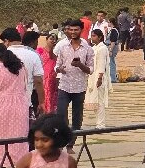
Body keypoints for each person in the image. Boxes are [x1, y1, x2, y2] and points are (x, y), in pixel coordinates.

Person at [53, 19, 94, 148]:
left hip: (79, 87)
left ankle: (71, 143)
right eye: (70, 30)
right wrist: (59, 69)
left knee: (77, 117)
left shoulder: (87, 48)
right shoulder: (63, 46)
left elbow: (90, 69)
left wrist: (80, 65)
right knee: (60, 114)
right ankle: (62, 139)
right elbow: (57, 65)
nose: (73, 32)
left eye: (76, 30)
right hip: (64, 85)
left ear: (81, 30)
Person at [0, 28, 45, 118]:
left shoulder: (0, 55)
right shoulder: (34, 55)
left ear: (6, 41)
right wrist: (41, 102)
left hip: (5, 103)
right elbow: (38, 81)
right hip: (27, 101)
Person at [84, 29, 111, 129]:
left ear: (100, 37)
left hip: (99, 77)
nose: (92, 38)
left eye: (94, 36)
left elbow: (101, 64)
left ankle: (101, 124)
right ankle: (98, 122)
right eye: (92, 35)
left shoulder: (102, 48)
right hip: (93, 76)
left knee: (100, 101)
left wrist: (99, 77)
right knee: (95, 100)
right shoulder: (94, 48)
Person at [36, 34, 59, 114]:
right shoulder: (39, 50)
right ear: (46, 39)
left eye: (55, 39)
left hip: (51, 80)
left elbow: (51, 56)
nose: (53, 40)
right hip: (41, 79)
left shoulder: (54, 55)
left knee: (50, 98)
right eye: (51, 38)